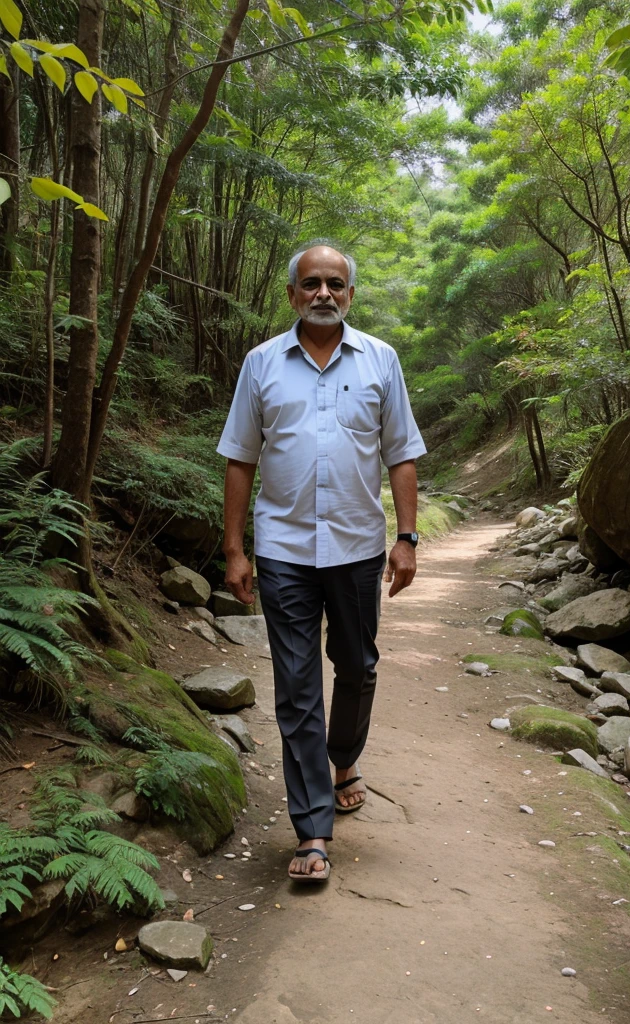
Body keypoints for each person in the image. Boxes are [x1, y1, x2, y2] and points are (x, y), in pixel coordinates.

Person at [217, 243, 426, 883]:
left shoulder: (381, 362)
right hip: (282, 550)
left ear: (351, 294)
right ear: (292, 294)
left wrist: (408, 537)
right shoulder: (260, 366)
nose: (324, 294)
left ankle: (343, 760)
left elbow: (402, 454)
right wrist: (234, 549)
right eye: (312, 283)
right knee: (298, 686)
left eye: (336, 283)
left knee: (358, 666)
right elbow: (239, 459)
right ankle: (311, 828)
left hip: (360, 547)